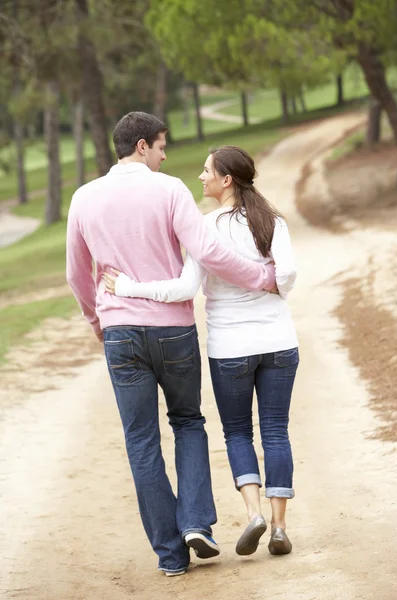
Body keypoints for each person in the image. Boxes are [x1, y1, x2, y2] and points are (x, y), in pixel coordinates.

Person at [66, 113, 276, 577]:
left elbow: (76, 274)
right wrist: (263, 276)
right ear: (142, 146)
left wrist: (95, 319)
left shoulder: (83, 198)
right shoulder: (170, 190)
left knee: (141, 441)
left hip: (121, 332)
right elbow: (210, 253)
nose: (164, 155)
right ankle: (197, 522)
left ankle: (170, 555)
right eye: (161, 146)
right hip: (174, 332)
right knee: (187, 422)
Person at [102, 145, 299, 558]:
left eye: (207, 171)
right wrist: (268, 282)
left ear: (227, 180)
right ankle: (280, 525)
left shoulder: (204, 228)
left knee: (238, 431)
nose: (201, 177)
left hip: (230, 348)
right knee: (276, 430)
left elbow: (183, 289)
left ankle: (253, 515)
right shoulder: (272, 221)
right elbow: (289, 274)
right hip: (279, 340)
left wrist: (127, 288)